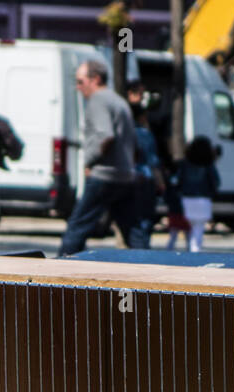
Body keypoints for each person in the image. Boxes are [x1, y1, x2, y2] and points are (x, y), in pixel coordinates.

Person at [57, 60, 137, 257]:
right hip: (125, 175)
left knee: (77, 227)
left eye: (81, 81)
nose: (78, 87)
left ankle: (57, 274)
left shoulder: (98, 100)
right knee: (132, 233)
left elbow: (105, 136)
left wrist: (89, 161)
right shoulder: (119, 101)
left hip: (103, 175)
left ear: (96, 79)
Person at [168, 136, 219, 252]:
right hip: (203, 199)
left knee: (191, 227)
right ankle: (195, 248)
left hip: (187, 199)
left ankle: (192, 248)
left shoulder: (185, 164)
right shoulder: (208, 165)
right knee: (199, 229)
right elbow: (215, 182)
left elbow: (177, 181)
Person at [128, 92, 164, 249]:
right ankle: (142, 249)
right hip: (146, 178)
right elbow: (153, 161)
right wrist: (160, 182)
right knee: (146, 219)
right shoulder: (145, 134)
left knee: (131, 218)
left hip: (128, 179)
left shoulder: (125, 133)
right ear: (142, 117)